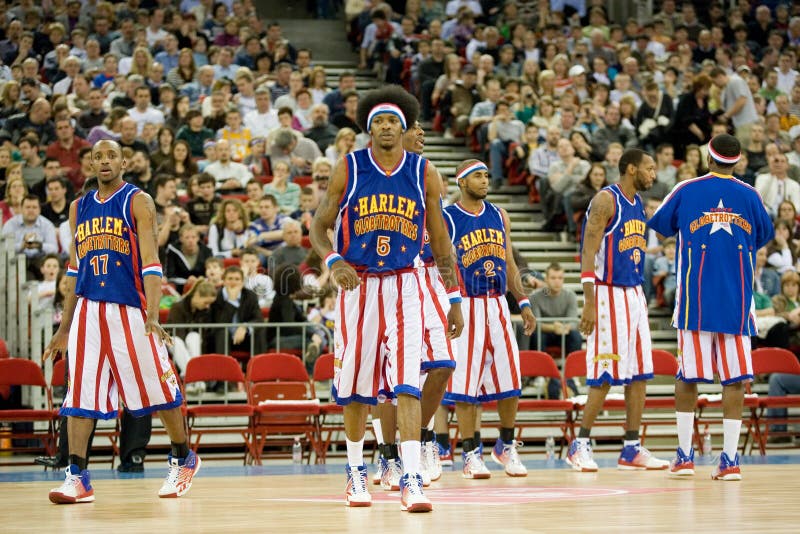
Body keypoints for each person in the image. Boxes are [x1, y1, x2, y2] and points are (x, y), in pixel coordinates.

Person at [309, 86, 462, 512]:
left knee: (407, 383)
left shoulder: (424, 171)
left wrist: (452, 295)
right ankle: (356, 472)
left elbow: (440, 238)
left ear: (404, 126)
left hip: (406, 284)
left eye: (394, 121)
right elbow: (319, 228)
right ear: (368, 129)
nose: (387, 127)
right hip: (358, 286)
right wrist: (334, 260)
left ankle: (411, 478)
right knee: (357, 387)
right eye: (379, 121)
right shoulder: (349, 168)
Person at [42, 139, 199, 504]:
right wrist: (64, 328)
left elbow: (151, 262)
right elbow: (73, 270)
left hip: (130, 309)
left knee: (160, 390)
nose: (104, 161)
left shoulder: (137, 201)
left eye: (111, 155)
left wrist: (153, 315)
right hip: (87, 311)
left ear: (124, 162)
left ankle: (183, 457)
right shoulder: (77, 207)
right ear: (90, 164)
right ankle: (77, 476)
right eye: (98, 156)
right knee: (80, 395)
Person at [648, 134, 774, 480]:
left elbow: (659, 224)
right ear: (738, 161)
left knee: (688, 376)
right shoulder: (751, 195)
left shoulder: (687, 189)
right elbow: (764, 234)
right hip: (737, 302)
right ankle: (730, 460)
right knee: (735, 380)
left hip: (695, 301)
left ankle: (685, 455)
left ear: (708, 158)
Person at [568, 148, 669, 473]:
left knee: (640, 373)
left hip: (634, 294)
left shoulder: (638, 203)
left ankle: (631, 447)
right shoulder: (605, 200)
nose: (653, 175)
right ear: (630, 169)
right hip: (607, 293)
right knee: (603, 374)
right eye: (649, 168)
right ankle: (579, 444)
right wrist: (589, 300)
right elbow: (588, 251)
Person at [441, 158, 535, 480]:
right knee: (466, 385)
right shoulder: (449, 217)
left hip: (497, 303)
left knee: (511, 382)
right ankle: (470, 453)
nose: (485, 181)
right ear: (462, 182)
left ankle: (506, 446)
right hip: (466, 303)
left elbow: (508, 260)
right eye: (478, 176)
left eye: (486, 175)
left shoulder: (499, 214)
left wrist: (522, 301)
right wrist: (452, 302)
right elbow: (443, 263)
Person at [530, 262, 581, 399]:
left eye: (560, 278)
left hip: (563, 332)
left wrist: (565, 327)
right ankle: (540, 374)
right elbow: (535, 322)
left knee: (575, 336)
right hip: (546, 332)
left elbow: (573, 321)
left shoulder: (570, 295)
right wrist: (553, 327)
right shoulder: (535, 297)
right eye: (553, 278)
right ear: (546, 279)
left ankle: (572, 374)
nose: (557, 281)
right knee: (536, 335)